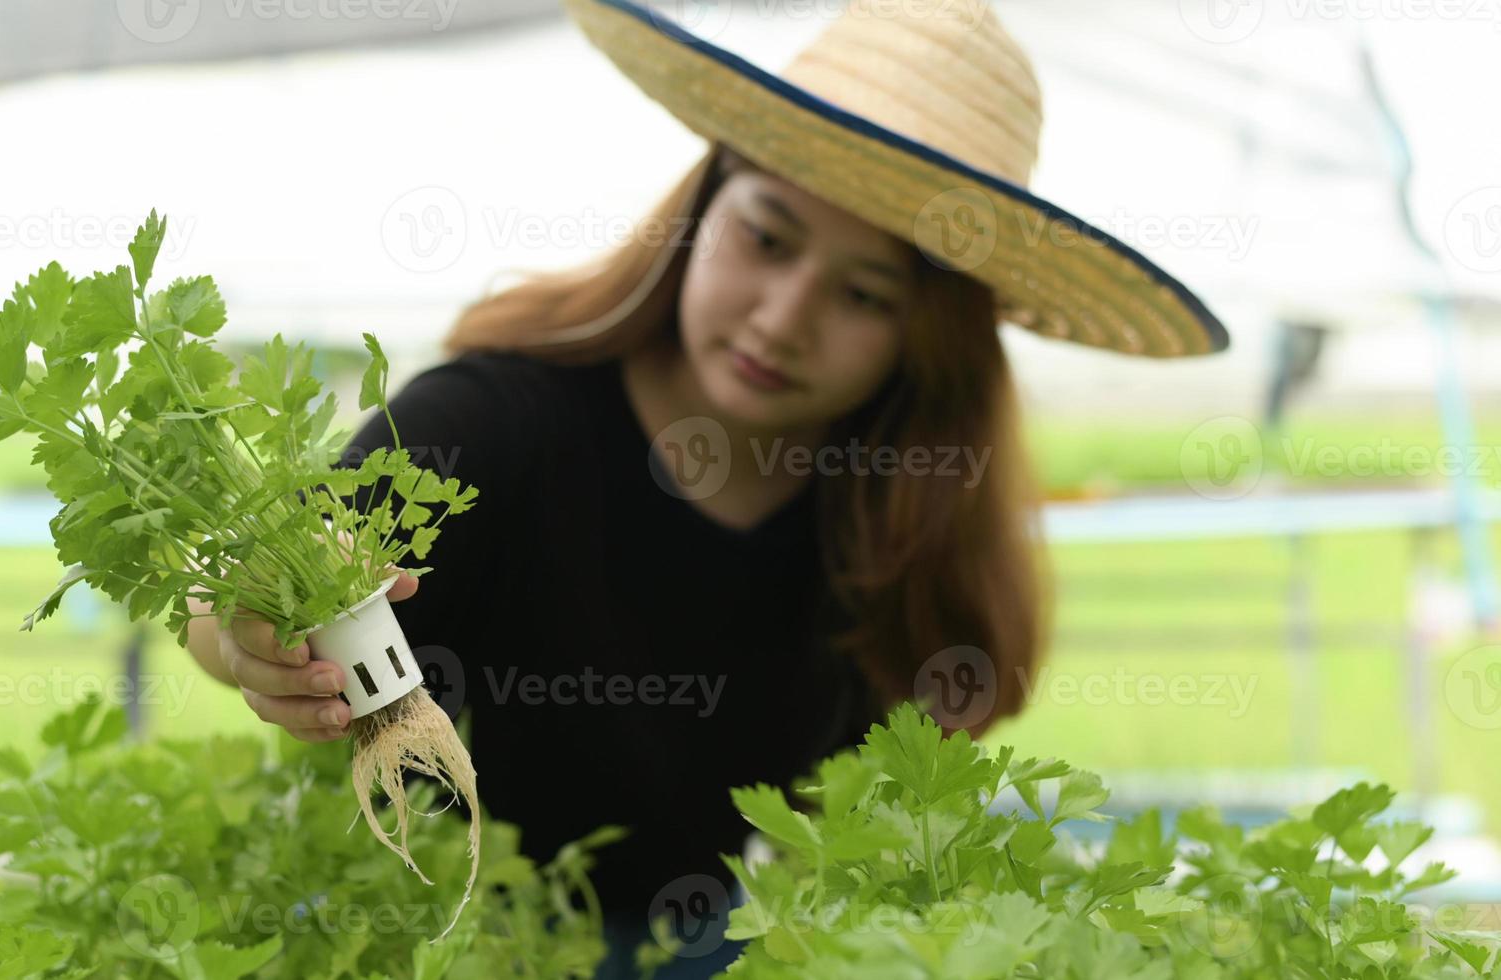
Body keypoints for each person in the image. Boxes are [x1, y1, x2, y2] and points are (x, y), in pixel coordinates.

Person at [184, 0, 1229, 974]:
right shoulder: (499, 418)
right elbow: (262, 575)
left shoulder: (902, 512)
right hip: (440, 934)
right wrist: (246, 644)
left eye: (864, 292)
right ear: (704, 199)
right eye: (766, 237)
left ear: (930, 337)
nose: (782, 317)